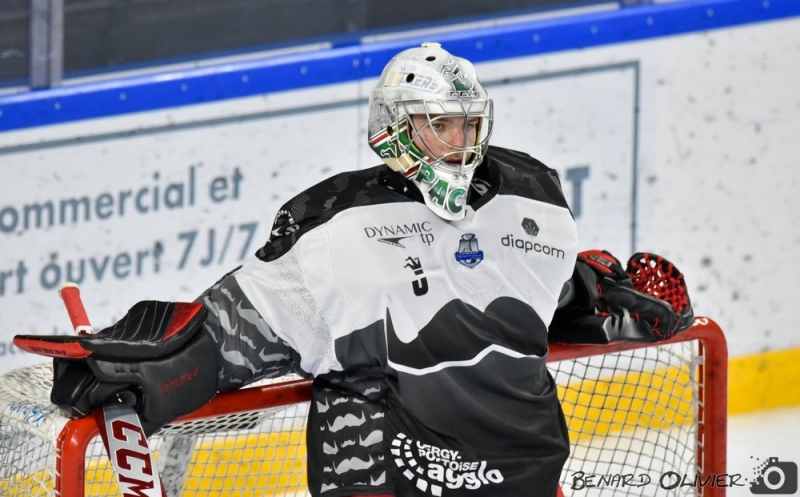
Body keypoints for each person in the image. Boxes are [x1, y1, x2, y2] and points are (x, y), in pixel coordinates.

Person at [15, 42, 692, 497]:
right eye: (439, 126)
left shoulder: (532, 198)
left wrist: (615, 300)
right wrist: (145, 369)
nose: (460, 144)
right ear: (395, 127)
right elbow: (229, 332)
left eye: (468, 125)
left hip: (520, 472)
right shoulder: (336, 224)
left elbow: (549, 292)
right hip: (385, 476)